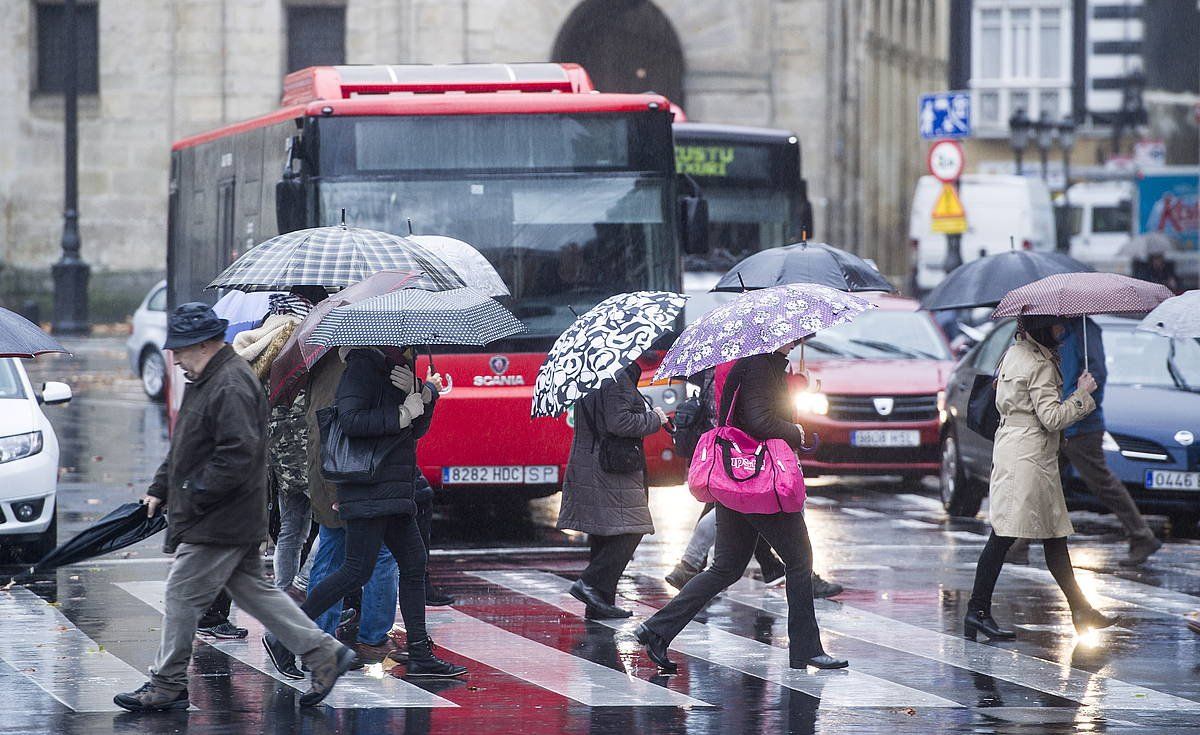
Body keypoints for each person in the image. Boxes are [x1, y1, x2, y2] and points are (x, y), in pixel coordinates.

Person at [115, 303, 354, 712]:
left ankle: (167, 683)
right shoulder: (207, 379)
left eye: (182, 350)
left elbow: (237, 456)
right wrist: (160, 487)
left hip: (220, 518)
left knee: (180, 594)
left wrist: (190, 490)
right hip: (226, 515)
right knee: (258, 594)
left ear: (206, 345)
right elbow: (187, 446)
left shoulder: (231, 384)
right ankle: (323, 654)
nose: (176, 358)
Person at [637, 340, 848, 672]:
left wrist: (791, 385)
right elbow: (759, 420)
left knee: (727, 567)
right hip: (758, 482)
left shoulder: (754, 364)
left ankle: (657, 630)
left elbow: (750, 411)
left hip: (737, 478)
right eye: (792, 336)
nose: (798, 340)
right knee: (799, 559)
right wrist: (797, 431)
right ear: (775, 336)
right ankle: (806, 649)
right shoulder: (760, 367)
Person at [266, 345, 466, 679]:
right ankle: (284, 637)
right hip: (369, 489)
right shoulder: (360, 368)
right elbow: (352, 421)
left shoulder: (393, 367)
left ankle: (419, 653)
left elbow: (413, 432)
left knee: (413, 562)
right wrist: (403, 410)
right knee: (355, 571)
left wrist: (424, 398)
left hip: (393, 487)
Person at [964, 315, 1118, 641]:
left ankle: (1080, 609)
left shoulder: (1013, 353)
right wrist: (1082, 393)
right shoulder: (1040, 364)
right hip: (1029, 461)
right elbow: (1052, 418)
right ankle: (976, 612)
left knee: (1053, 537)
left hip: (1018, 453)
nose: (1061, 331)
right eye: (1057, 326)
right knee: (1004, 537)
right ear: (1041, 328)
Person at [666, 367, 844, 600]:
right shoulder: (747, 364)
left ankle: (693, 569)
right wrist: (794, 385)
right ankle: (690, 565)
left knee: (739, 518)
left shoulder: (738, 357)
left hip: (741, 452)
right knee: (773, 509)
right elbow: (758, 409)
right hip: (750, 452)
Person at [561, 360, 669, 619]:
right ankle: (590, 583)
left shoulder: (591, 371)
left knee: (604, 531)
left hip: (592, 460)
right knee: (633, 527)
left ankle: (599, 603)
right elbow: (619, 423)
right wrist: (654, 418)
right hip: (612, 464)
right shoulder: (618, 376)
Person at [1059, 318, 1162, 565]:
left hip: (1081, 425)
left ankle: (1142, 535)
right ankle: (1017, 543)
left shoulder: (1084, 330)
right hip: (1064, 420)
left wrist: (1081, 408)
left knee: (1101, 482)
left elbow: (1096, 377)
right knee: (1045, 482)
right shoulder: (1068, 329)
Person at [230, 295, 313, 591]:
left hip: (277, 454)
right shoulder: (298, 341)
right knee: (334, 523)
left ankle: (283, 588)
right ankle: (305, 582)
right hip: (305, 448)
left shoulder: (261, 340)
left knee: (291, 525)